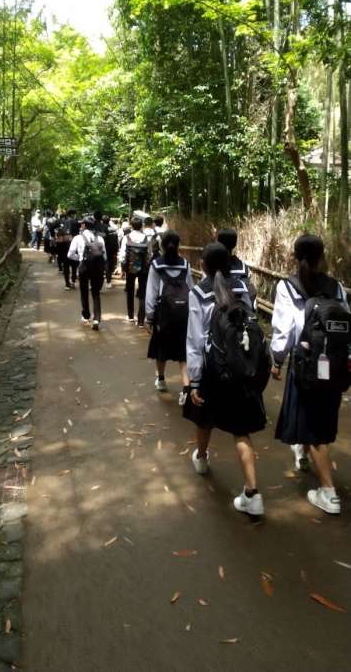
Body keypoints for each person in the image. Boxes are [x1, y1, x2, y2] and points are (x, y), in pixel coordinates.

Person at [183, 242, 268, 517]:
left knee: (203, 417)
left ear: (204, 264)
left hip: (213, 369)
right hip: (241, 367)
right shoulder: (244, 287)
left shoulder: (199, 292)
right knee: (240, 431)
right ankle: (253, 494)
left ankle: (201, 459)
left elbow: (195, 339)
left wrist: (194, 380)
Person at [270, 234, 350, 515]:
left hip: (306, 365)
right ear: (322, 257)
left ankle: (329, 493)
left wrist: (277, 360)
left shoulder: (288, 286)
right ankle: (302, 453)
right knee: (321, 417)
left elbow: (284, 328)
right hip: (334, 367)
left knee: (314, 427)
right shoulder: (335, 286)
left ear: (295, 255)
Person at [145, 230, 193, 403]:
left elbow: (151, 292)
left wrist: (149, 317)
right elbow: (190, 289)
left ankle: (161, 379)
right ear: (178, 245)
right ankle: (186, 386)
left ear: (162, 246)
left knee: (161, 348)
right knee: (183, 351)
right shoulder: (185, 264)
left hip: (163, 315)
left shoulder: (156, 265)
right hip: (183, 315)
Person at [68, 217, 106, 330]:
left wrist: (80, 258)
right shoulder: (100, 238)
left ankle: (86, 315)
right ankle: (96, 318)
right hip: (97, 268)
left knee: (84, 291)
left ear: (84, 225)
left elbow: (70, 254)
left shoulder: (78, 238)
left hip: (84, 267)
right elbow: (104, 256)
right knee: (96, 292)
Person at [120, 216, 149, 326]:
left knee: (130, 291)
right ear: (141, 226)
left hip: (130, 267)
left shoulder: (126, 237)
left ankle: (131, 316)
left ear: (131, 226)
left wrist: (123, 268)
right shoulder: (145, 238)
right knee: (142, 293)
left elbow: (122, 255)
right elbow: (149, 254)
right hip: (143, 268)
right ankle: (141, 320)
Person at [103, 215, 119, 288]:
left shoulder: (100, 228)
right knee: (108, 265)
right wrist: (116, 251)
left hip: (100, 249)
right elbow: (116, 241)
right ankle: (108, 281)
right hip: (110, 250)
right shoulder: (113, 229)